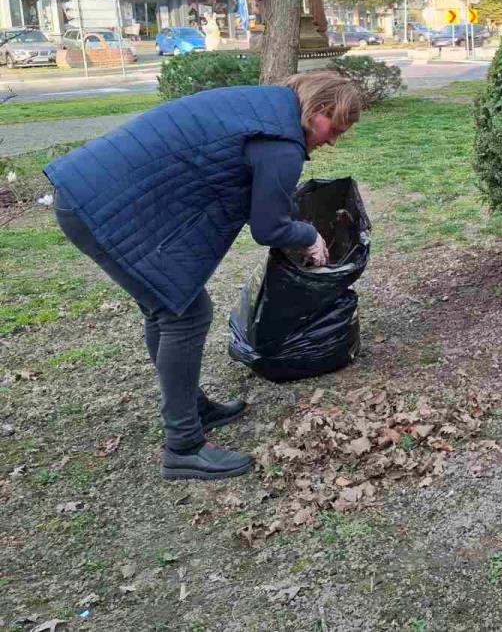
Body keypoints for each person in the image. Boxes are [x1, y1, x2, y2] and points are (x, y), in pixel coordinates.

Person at [45, 72, 363, 481]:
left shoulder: (267, 106)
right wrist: (308, 235)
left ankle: (190, 407)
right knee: (184, 313)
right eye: (334, 128)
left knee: (170, 304)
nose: (333, 139)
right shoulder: (281, 142)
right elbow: (268, 227)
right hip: (99, 206)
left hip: (89, 192)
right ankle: (184, 447)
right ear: (318, 110)